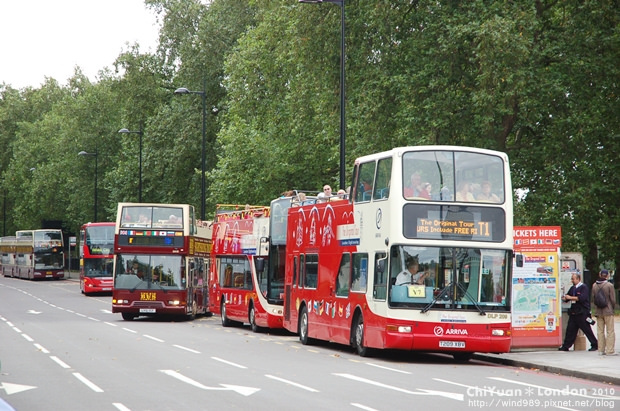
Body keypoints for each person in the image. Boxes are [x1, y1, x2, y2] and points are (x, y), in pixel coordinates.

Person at [559, 273, 598, 351]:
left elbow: (582, 298)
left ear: (578, 279)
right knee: (570, 329)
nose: (572, 280)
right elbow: (568, 296)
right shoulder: (573, 288)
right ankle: (566, 346)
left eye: (573, 279)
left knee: (586, 329)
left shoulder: (584, 287)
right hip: (574, 312)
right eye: (572, 279)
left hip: (582, 312)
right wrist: (565, 298)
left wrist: (571, 297)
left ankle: (594, 344)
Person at [592, 269, 616, 356]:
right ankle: (609, 350)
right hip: (608, 310)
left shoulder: (594, 285)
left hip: (598, 311)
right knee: (610, 331)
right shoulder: (609, 285)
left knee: (600, 331)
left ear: (600, 274)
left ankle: (601, 349)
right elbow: (613, 299)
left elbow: (593, 298)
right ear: (607, 276)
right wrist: (612, 308)